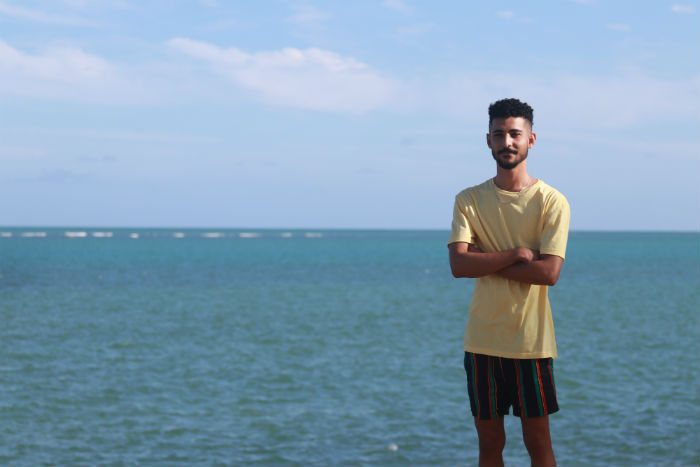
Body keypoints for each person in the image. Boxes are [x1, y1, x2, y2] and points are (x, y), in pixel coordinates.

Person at [448, 98, 570, 467]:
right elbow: (457, 265)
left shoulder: (552, 202)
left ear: (531, 139)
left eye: (515, 134)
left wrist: (483, 260)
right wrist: (516, 253)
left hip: (531, 343)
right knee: (489, 444)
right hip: (482, 342)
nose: (507, 142)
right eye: (499, 134)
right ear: (488, 140)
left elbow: (548, 273)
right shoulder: (468, 200)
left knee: (538, 443)